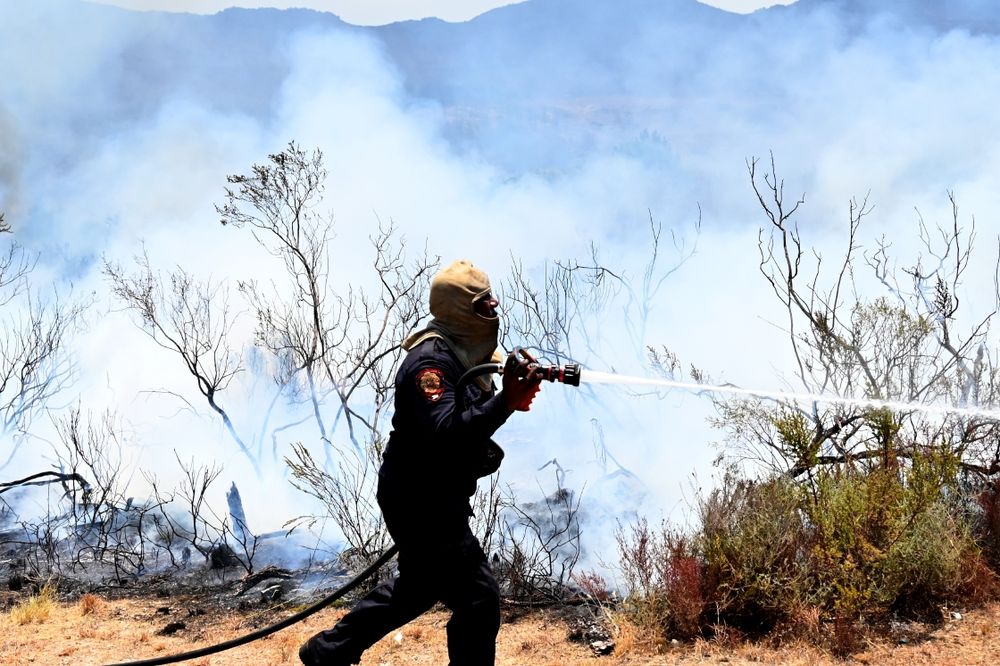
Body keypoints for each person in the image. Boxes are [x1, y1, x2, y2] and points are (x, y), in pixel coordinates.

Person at [299, 259, 542, 666]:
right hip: (419, 499)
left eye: (492, 301)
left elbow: (471, 414)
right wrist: (506, 402)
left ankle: (328, 651)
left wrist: (515, 385)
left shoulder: (466, 353)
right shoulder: (429, 365)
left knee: (418, 588)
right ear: (460, 309)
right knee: (478, 597)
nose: (493, 310)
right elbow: (446, 430)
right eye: (483, 304)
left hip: (433, 493)